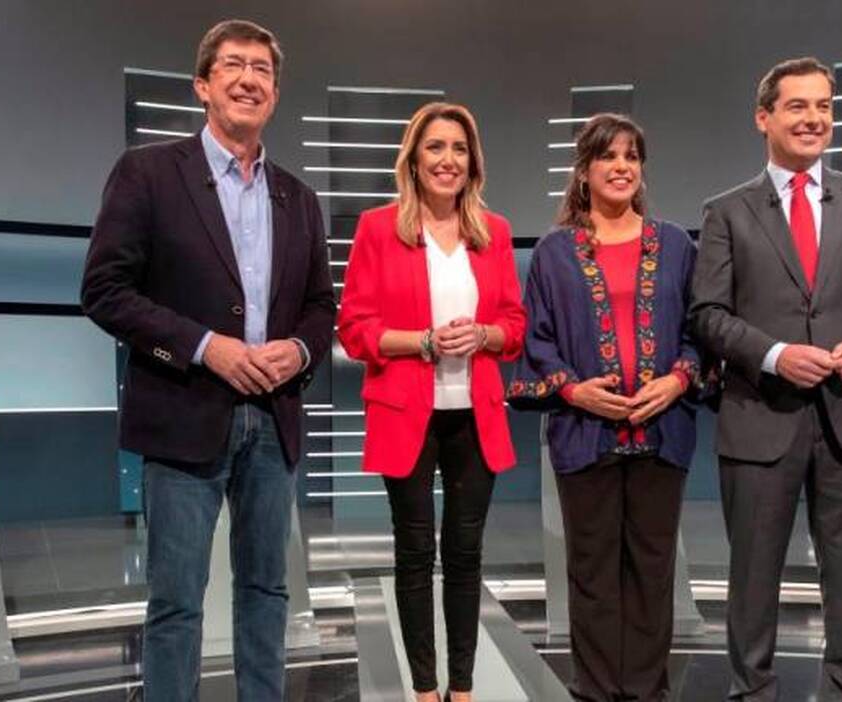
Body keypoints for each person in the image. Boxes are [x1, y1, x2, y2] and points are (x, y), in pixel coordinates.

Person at [80, 19, 334, 701]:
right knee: (176, 603)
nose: (249, 79)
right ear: (202, 85)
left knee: (267, 592)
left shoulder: (300, 199)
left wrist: (299, 350)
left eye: (263, 69)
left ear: (275, 92)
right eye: (233, 65)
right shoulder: (147, 174)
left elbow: (320, 307)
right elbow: (104, 291)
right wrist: (205, 347)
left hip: (272, 421)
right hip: (182, 414)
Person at [689, 57, 842, 701]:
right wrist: (774, 355)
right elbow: (706, 314)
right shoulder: (726, 211)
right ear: (763, 118)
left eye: (824, 106)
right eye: (798, 106)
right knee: (752, 579)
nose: (814, 118)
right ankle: (752, 693)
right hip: (759, 418)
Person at [508, 113, 708, 702]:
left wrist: (677, 381)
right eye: (608, 156)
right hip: (583, 433)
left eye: (631, 157)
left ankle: (646, 692)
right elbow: (537, 339)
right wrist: (574, 390)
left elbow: (700, 331)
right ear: (584, 170)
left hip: (661, 431)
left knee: (652, 570)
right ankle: (594, 692)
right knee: (592, 572)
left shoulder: (677, 245)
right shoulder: (554, 252)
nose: (621, 167)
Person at [337, 101, 525, 702]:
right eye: (436, 147)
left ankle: (461, 688)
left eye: (459, 149)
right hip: (405, 413)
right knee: (415, 551)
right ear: (414, 161)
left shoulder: (493, 232)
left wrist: (484, 335)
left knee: (465, 554)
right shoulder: (378, 228)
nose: (448, 160)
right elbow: (354, 328)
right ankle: (424, 689)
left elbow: (514, 326)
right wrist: (421, 342)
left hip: (475, 414)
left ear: (473, 163)